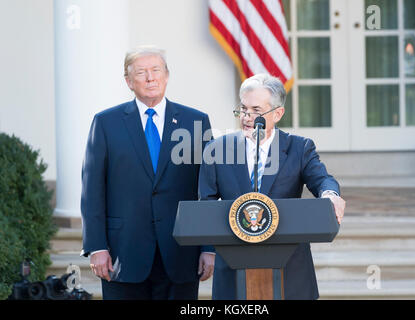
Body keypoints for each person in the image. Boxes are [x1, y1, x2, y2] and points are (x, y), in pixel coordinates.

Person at [80, 45, 215, 300]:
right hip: (123, 253)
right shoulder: (106, 123)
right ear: (129, 81)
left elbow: (206, 190)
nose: (150, 77)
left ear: (166, 75)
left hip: (181, 252)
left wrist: (208, 248)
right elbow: (92, 190)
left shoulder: (196, 121)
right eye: (141, 72)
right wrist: (96, 246)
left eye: (156, 70)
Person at [199, 73, 346, 300]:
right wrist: (207, 249)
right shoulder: (216, 149)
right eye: (243, 109)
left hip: (289, 269)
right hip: (234, 266)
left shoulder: (299, 148)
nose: (247, 117)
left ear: (278, 113)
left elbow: (322, 179)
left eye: (257, 111)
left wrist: (330, 194)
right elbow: (206, 203)